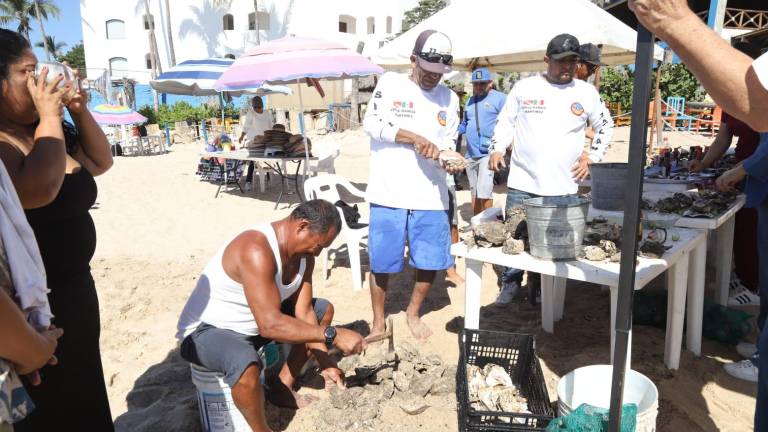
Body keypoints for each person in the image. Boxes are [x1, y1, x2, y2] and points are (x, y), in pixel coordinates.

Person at [630, 2, 768, 430]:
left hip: (754, 175)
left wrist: (672, 20)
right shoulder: (729, 111)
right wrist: (705, 165)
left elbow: (755, 100)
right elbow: (729, 128)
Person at [0, 29, 115, 431]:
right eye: (28, 73)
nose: (39, 83)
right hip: (28, 309)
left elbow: (100, 162)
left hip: (76, 291)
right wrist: (49, 114)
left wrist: (78, 111)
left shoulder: (47, 134)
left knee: (86, 392)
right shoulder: (5, 143)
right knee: (53, 407)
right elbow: (38, 191)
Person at [177, 200, 366, 432]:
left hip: (254, 326)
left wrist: (326, 362)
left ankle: (281, 387)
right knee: (245, 362)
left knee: (322, 311)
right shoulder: (256, 248)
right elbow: (269, 326)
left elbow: (305, 312)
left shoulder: (304, 258)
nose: (318, 252)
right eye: (318, 245)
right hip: (207, 331)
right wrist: (333, 335)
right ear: (302, 226)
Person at [488, 34, 614, 305]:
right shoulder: (524, 88)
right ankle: (510, 284)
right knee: (515, 237)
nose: (566, 66)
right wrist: (497, 148)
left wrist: (593, 156)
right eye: (561, 61)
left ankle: (542, 288)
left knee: (554, 244)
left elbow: (606, 125)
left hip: (564, 187)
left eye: (572, 61)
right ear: (547, 60)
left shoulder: (586, 93)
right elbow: (505, 123)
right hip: (523, 183)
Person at [363, 29, 463, 340]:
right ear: (413, 61)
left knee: (431, 260)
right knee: (382, 260)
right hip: (388, 191)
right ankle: (378, 320)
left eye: (440, 73)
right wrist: (415, 138)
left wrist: (447, 157)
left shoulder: (450, 99)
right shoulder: (391, 83)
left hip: (431, 194)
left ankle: (412, 312)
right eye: (428, 70)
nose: (434, 78)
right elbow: (373, 124)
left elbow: (444, 145)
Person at [458, 67, 506, 215]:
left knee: (484, 190)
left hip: (488, 153)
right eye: (475, 84)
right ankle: (476, 223)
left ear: (490, 83)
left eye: (482, 84)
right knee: (474, 192)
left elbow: (509, 122)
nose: (478, 87)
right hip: (470, 154)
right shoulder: (470, 101)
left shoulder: (500, 98)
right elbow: (464, 124)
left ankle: (488, 223)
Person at [576, 43, 611, 142]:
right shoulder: (562, 88)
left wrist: (597, 137)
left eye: (596, 68)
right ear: (578, 63)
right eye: (592, 67)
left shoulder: (586, 90)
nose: (594, 72)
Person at [239, 96, 274, 191]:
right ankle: (248, 182)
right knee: (252, 160)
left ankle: (269, 178)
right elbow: (246, 126)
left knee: (266, 159)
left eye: (260, 107)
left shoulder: (267, 113)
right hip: (253, 141)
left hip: (265, 140)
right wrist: (242, 136)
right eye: (256, 107)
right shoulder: (251, 113)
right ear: (253, 107)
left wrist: (273, 137)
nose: (258, 109)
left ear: (262, 106)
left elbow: (271, 126)